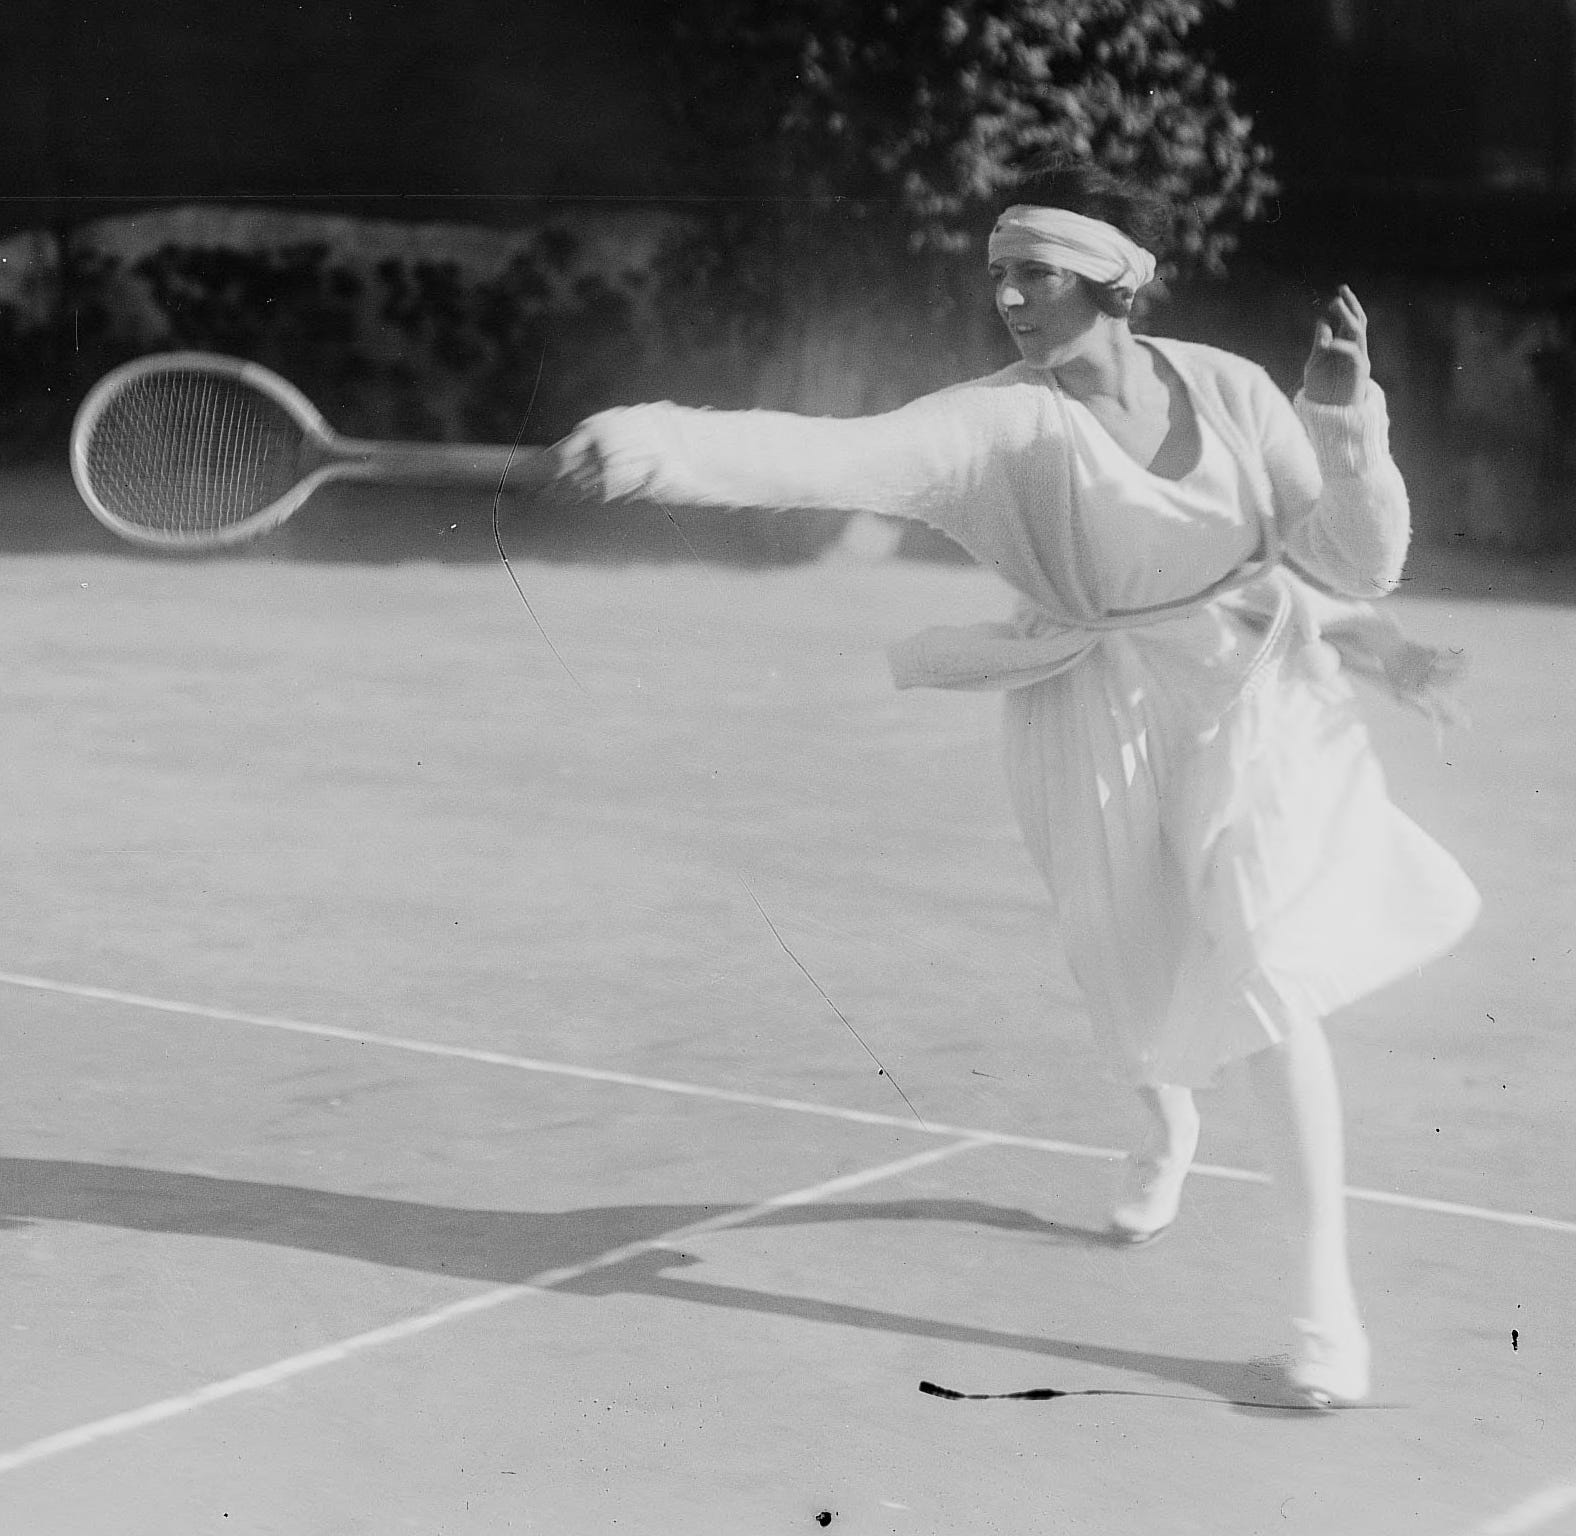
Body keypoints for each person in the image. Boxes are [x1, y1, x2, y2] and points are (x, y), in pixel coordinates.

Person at [547, 160, 1480, 1408]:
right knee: (1132, 974)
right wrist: (654, 445)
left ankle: (1328, 1325)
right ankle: (1162, 1129)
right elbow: (828, 455)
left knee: (1268, 979)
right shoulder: (997, 422)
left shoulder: (1236, 389)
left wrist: (1343, 421)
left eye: (1033, 271)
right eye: (998, 273)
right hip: (1092, 706)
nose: (1007, 295)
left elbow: (1355, 566)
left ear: (1117, 279)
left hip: (1258, 695)